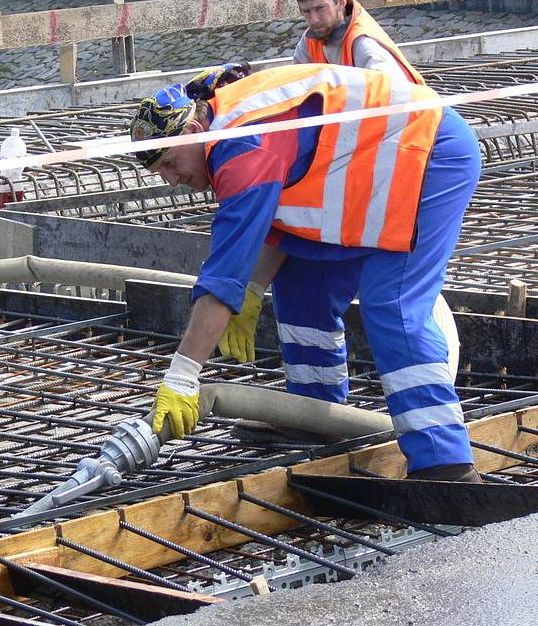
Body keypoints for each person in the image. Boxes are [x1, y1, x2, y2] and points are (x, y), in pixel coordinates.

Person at [130, 61, 482, 482]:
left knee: (392, 304)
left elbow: (226, 270)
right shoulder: (230, 125)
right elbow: (273, 227)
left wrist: (184, 374)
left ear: (192, 132)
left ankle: (445, 464)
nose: (171, 180)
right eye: (160, 172)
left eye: (170, 162)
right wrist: (256, 288)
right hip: (371, 170)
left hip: (428, 158)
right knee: (301, 285)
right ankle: (314, 415)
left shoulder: (242, 145)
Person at [290, 0, 424, 85]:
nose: (313, 20)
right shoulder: (309, 40)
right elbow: (296, 85)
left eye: (320, 8)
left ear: (340, 2)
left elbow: (392, 90)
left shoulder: (362, 42)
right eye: (306, 11)